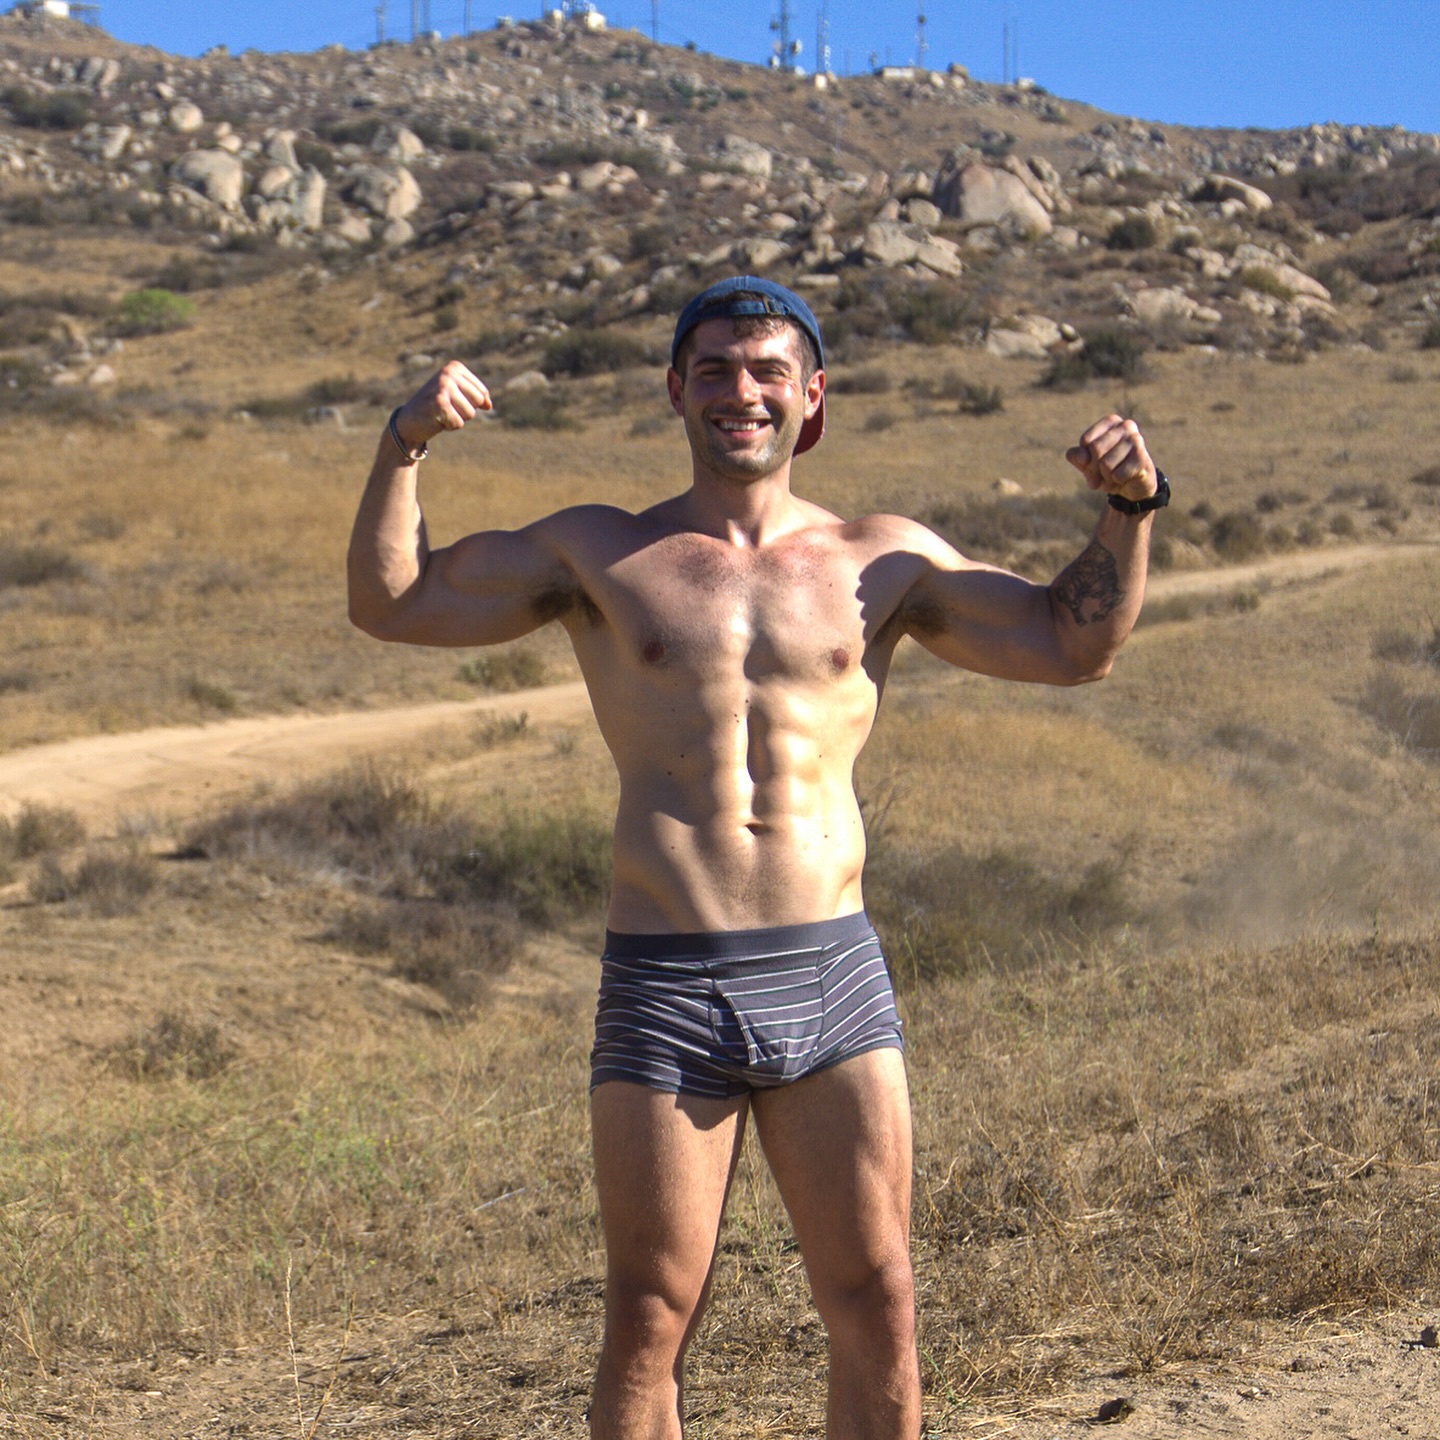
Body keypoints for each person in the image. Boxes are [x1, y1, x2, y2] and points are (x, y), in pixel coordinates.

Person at [346, 275, 1168, 1439]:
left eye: (769, 370)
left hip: (830, 975)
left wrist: (1131, 508)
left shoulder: (881, 561)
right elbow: (391, 602)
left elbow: (1070, 643)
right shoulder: (600, 551)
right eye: (718, 368)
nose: (743, 390)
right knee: (649, 1317)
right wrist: (405, 443)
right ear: (676, 389)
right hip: (667, 981)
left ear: (812, 397)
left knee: (878, 1299)